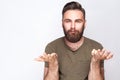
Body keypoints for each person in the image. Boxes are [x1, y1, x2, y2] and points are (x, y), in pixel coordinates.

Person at [35, 1, 113, 80]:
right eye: (68, 21)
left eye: (78, 21)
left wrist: (95, 62)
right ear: (62, 23)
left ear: (84, 23)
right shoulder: (52, 47)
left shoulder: (96, 48)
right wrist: (53, 66)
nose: (73, 26)